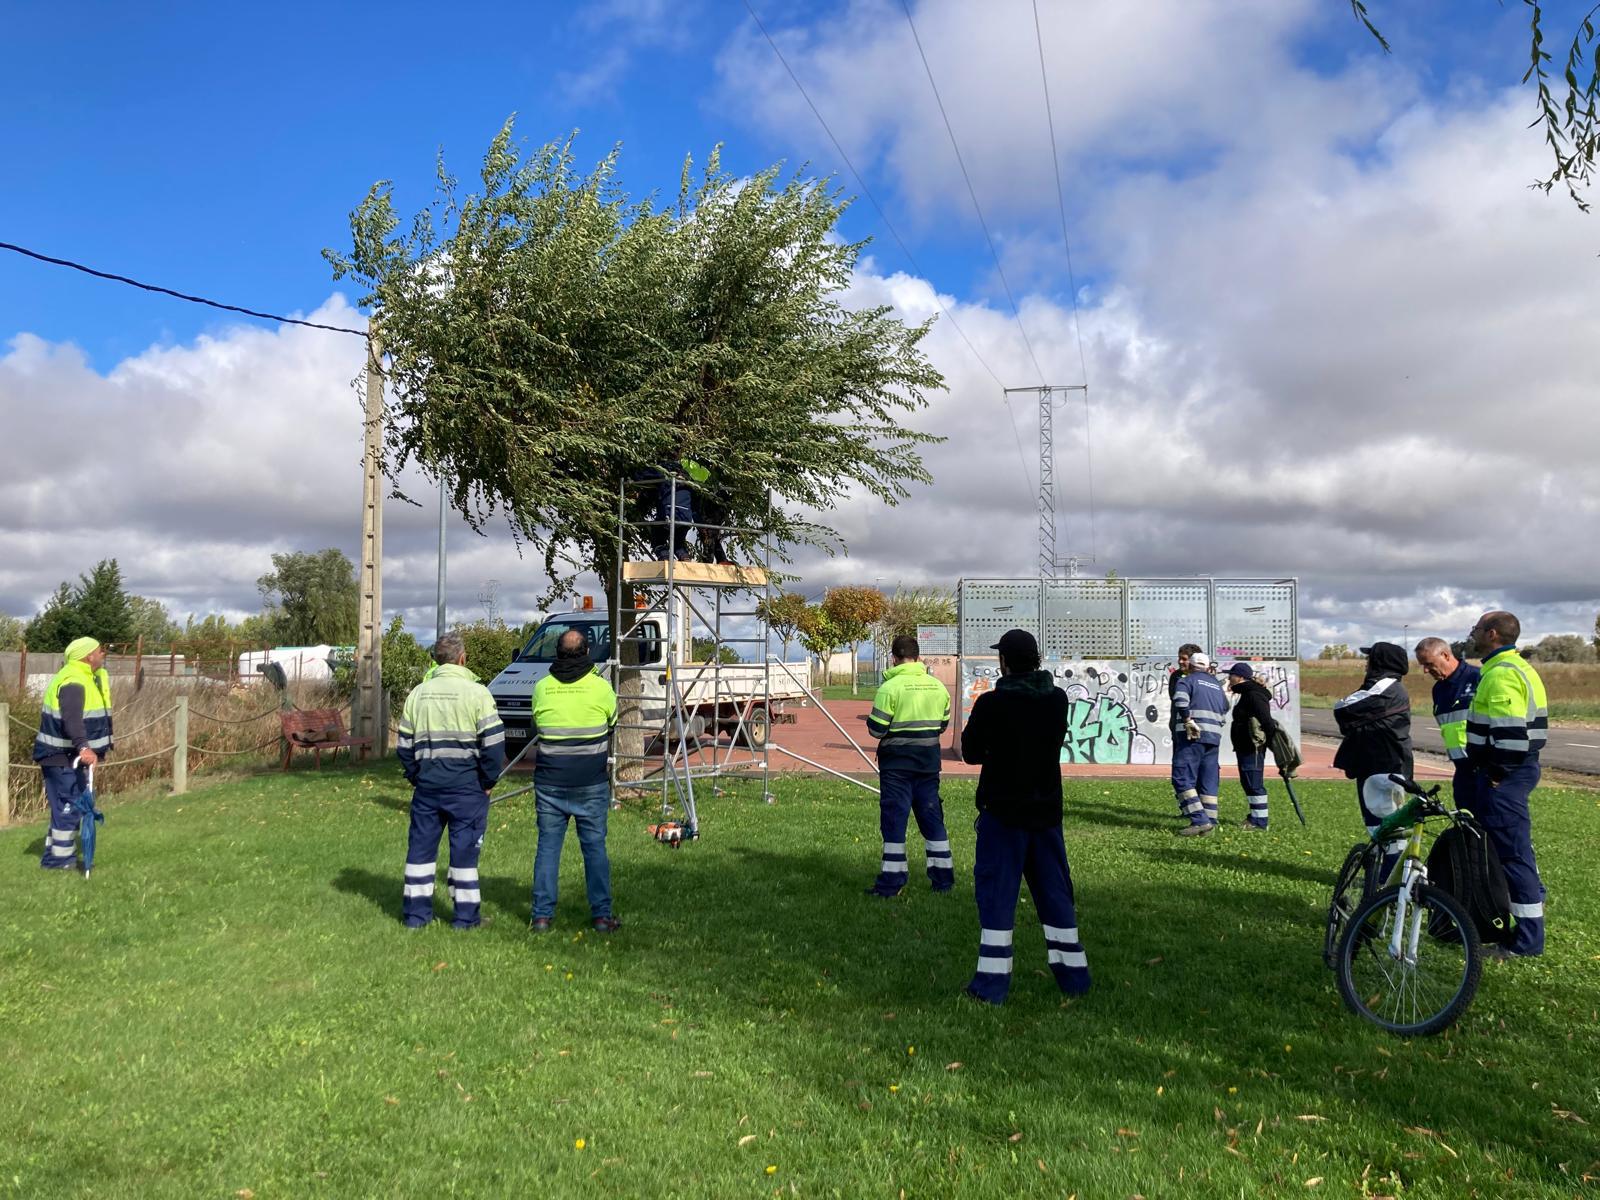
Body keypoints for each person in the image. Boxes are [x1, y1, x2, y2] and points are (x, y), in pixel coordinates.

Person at [959, 629, 1089, 1004]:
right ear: (1035, 660)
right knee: (1055, 894)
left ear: (1004, 662)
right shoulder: (1057, 700)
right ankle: (1074, 979)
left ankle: (990, 986)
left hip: (1003, 812)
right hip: (1046, 812)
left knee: (997, 898)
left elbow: (970, 752)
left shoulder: (991, 704)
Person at [396, 633, 506, 929]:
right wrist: (487, 779)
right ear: (462, 658)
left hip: (428, 787)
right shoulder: (477, 693)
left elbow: (404, 745)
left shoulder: (418, 693)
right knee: (464, 855)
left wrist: (416, 776)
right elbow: (494, 744)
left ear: (435, 660)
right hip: (467, 786)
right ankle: (465, 918)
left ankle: (416, 917)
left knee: (419, 852)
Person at [1464, 611, 1548, 959]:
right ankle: (1521, 926)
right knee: (1514, 852)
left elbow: (1511, 737)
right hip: (1516, 772)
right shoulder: (1516, 668)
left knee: (1513, 855)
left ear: (1493, 634)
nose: (1473, 634)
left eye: (1477, 629)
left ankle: (1526, 942)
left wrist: (1497, 772)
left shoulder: (1500, 675)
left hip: (1507, 775)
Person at [530, 629, 620, 933]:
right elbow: (613, 722)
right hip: (590, 783)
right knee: (594, 849)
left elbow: (537, 723)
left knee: (548, 848)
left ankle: (541, 916)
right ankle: (601, 916)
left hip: (550, 782)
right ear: (586, 653)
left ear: (557, 653)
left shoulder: (542, 688)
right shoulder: (601, 688)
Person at [863, 634, 954, 897]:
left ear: (894, 658)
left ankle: (892, 882)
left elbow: (876, 730)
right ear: (918, 657)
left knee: (894, 822)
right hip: (928, 765)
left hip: (897, 768)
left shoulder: (889, 689)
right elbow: (942, 726)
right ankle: (943, 880)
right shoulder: (937, 687)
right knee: (932, 820)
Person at [1332, 641, 1414, 882]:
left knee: (1387, 824)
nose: (1366, 663)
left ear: (1381, 662)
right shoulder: (1384, 686)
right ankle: (1382, 876)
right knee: (1378, 824)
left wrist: (1347, 712)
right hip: (1375, 763)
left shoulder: (1386, 687)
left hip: (1384, 766)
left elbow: (1345, 708)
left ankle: (1390, 880)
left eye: (1370, 659)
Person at [32, 636, 113, 870]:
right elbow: (72, 720)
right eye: (100, 651)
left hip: (71, 757)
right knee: (68, 807)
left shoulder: (87, 678)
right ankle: (59, 861)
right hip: (61, 756)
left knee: (71, 807)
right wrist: (84, 747)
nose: (103, 654)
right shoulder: (73, 681)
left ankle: (55, 857)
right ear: (89, 656)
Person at [1415, 636, 1480, 811]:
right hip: (1461, 768)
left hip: (1484, 767)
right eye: (1423, 665)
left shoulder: (1478, 678)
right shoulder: (1438, 689)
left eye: (1429, 664)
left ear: (1445, 655)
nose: (1425, 671)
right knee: (1466, 825)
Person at [1171, 651, 1229, 836]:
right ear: (1207, 666)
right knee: (1207, 780)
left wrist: (1188, 720)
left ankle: (1199, 820)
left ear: (1191, 665)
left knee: (1182, 776)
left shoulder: (1187, 680)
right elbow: (1226, 707)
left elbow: (1180, 700)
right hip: (1213, 737)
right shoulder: (1216, 685)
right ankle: (1210, 821)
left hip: (1192, 736)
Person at [1225, 663, 1277, 830]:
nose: (1228, 678)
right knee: (1248, 781)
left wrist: (1273, 745)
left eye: (1231, 675)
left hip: (1252, 747)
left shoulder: (1253, 695)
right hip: (1245, 746)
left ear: (1240, 677)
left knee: (1253, 782)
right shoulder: (1247, 693)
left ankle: (1260, 822)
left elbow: (1267, 721)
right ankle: (1254, 817)